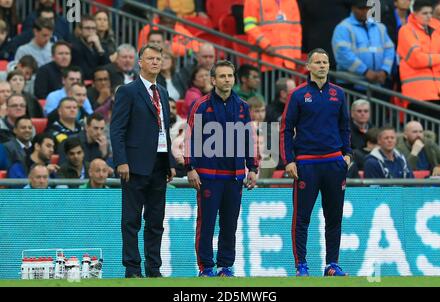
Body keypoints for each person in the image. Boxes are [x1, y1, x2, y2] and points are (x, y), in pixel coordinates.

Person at [280, 48, 352, 277]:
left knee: (334, 217)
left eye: (325, 62)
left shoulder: (339, 94)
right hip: (307, 164)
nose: (322, 66)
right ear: (308, 67)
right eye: (317, 62)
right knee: (302, 217)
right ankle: (301, 265)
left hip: (333, 162)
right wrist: (288, 161)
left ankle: (332, 264)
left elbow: (345, 127)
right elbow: (285, 128)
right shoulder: (298, 95)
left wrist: (347, 155)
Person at [184, 60, 258, 277]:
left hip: (234, 176)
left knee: (229, 224)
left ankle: (225, 266)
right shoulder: (201, 105)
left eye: (230, 76)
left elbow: (249, 139)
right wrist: (190, 167)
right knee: (206, 223)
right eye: (223, 76)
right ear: (213, 80)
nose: (227, 79)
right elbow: (190, 137)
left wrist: (252, 167)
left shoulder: (243, 107)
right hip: (208, 175)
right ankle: (206, 267)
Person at [110, 43, 176, 278]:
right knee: (131, 219)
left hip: (159, 164)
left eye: (159, 58)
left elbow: (164, 131)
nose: (155, 62)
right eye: (150, 58)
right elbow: (117, 129)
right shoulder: (127, 91)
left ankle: (154, 268)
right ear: (140, 62)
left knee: (156, 220)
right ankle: (132, 268)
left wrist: (170, 162)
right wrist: (121, 160)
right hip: (135, 164)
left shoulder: (164, 93)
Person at [397, 0, 440, 123]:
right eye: (424, 13)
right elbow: (417, 59)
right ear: (414, 14)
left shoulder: (438, 33)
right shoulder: (406, 30)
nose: (429, 16)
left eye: (431, 13)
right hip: (417, 95)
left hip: (439, 93)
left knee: (439, 137)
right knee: (419, 136)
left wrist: (430, 60)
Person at [332, 0, 395, 93]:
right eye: (361, 8)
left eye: (367, 8)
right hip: (351, 84)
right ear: (353, 8)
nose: (365, 11)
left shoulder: (379, 27)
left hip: (377, 83)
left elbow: (389, 49)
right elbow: (343, 54)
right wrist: (365, 71)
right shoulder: (343, 27)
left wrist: (384, 71)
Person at [243, 0, 302, 70]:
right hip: (264, 61)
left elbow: (296, 30)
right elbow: (249, 26)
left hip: (287, 62)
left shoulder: (291, 2)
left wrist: (297, 55)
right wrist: (265, 45)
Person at [70, 15, 110, 80]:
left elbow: (108, 68)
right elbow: (85, 72)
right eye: (87, 28)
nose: (91, 31)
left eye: (93, 28)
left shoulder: (102, 46)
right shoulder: (75, 47)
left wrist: (99, 48)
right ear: (80, 30)